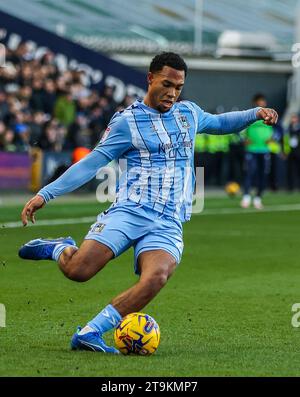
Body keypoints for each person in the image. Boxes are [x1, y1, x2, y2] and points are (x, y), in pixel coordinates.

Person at [18, 52, 278, 354]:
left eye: (179, 87)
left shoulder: (188, 114)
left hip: (168, 221)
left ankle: (90, 332)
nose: (172, 92)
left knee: (157, 276)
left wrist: (255, 113)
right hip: (130, 211)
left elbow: (220, 123)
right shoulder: (127, 122)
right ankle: (60, 248)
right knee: (79, 271)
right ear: (150, 78)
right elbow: (92, 163)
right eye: (167, 84)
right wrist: (45, 194)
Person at [240, 94, 275, 210]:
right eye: (259, 102)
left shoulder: (270, 116)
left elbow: (277, 131)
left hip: (264, 150)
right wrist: (244, 139)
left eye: (263, 102)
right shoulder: (250, 116)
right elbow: (240, 130)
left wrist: (273, 138)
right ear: (255, 103)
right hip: (252, 150)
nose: (261, 104)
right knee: (250, 172)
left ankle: (258, 198)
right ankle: (246, 197)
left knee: (263, 174)